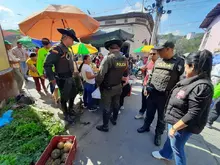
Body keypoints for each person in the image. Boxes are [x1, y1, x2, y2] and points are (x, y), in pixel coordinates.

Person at [152, 50, 213, 165]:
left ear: (192, 66)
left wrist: (175, 127)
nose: (184, 69)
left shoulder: (202, 86)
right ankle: (165, 154)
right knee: (171, 140)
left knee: (177, 148)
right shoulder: (192, 80)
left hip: (183, 125)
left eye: (185, 66)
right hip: (176, 119)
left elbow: (193, 114)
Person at [137, 41, 185, 146]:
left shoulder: (179, 62)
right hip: (152, 93)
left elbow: (182, 82)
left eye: (160, 50)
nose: (158, 52)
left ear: (169, 49)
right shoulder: (158, 61)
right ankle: (146, 126)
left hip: (165, 97)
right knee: (149, 112)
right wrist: (147, 86)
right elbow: (151, 75)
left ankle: (158, 134)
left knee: (161, 118)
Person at [44, 28, 79, 123]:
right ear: (66, 37)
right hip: (62, 78)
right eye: (72, 39)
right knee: (64, 97)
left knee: (73, 93)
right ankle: (66, 114)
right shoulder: (56, 49)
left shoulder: (67, 49)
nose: (73, 42)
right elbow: (47, 65)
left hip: (70, 76)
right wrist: (51, 79)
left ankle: (71, 109)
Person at [96, 39, 128, 132]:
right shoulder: (124, 59)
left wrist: (97, 84)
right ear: (118, 48)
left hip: (108, 88)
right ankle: (114, 119)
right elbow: (125, 73)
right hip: (118, 86)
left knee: (106, 106)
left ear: (109, 49)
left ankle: (105, 126)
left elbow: (101, 74)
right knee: (116, 104)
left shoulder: (108, 58)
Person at [135, 49, 159, 119]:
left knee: (151, 104)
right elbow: (144, 70)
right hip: (145, 85)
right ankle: (141, 113)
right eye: (150, 54)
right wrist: (144, 79)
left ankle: (148, 118)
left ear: (158, 54)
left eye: (154, 54)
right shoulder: (149, 62)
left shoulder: (159, 64)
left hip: (153, 87)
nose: (152, 55)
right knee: (144, 101)